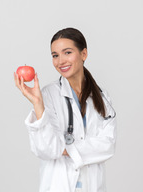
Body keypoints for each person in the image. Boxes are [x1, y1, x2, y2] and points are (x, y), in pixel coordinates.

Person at [14, 27, 116, 192]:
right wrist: (38, 104)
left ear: (84, 54)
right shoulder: (48, 95)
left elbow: (107, 145)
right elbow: (47, 149)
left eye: (67, 52)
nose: (60, 61)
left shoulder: (102, 97)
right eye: (55, 55)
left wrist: (65, 148)